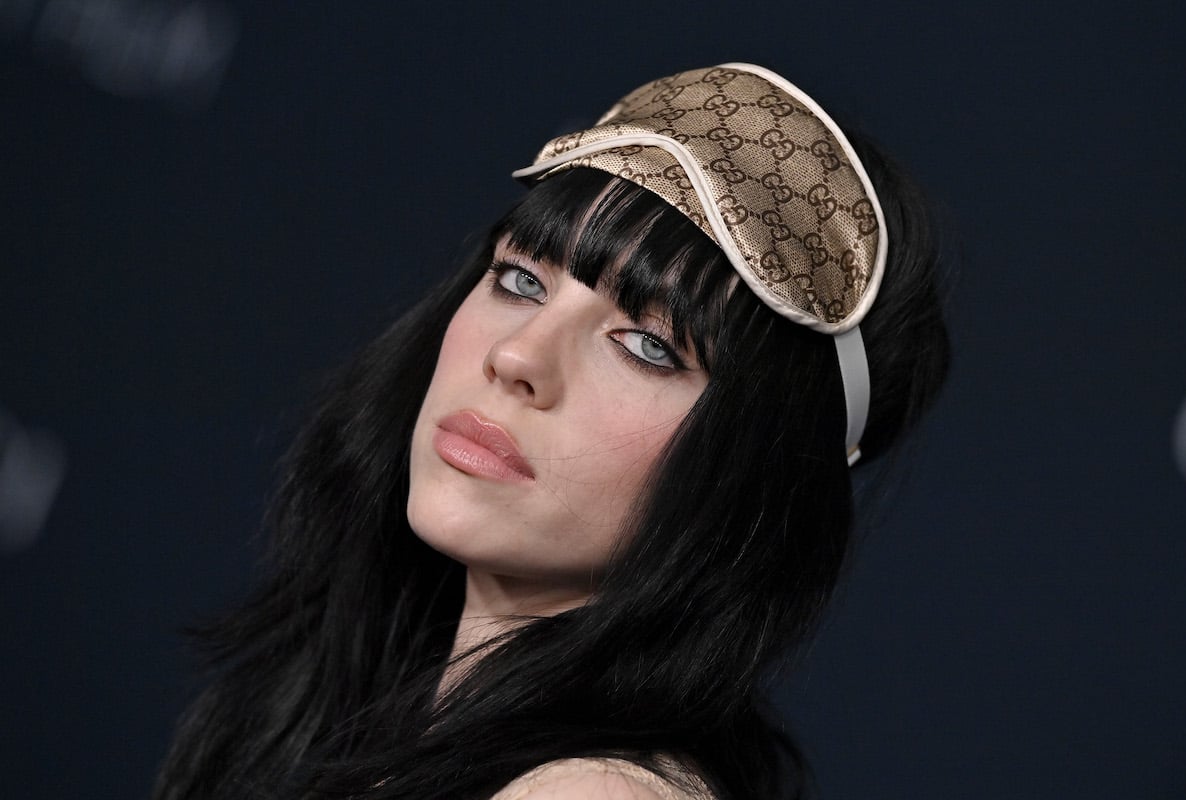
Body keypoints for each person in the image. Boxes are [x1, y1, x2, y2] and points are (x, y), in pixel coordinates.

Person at [154, 63, 951, 799]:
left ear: (756, 476)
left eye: (648, 347)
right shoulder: (350, 713)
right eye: (519, 280)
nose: (517, 357)